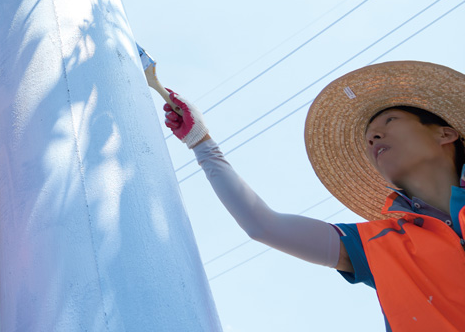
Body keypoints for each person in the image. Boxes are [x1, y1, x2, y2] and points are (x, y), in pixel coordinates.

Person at [162, 60, 465, 331]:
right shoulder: (378, 244)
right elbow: (263, 226)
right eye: (369, 135)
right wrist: (201, 143)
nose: (373, 136)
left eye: (390, 121)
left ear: (445, 134)